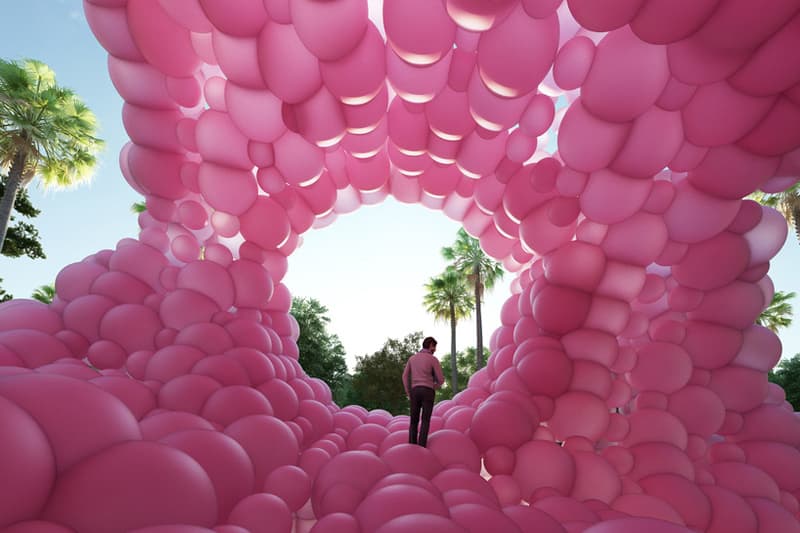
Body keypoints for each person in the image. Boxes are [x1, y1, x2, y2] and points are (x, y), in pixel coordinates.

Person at [402, 336, 444, 447]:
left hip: (415, 391)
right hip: (428, 391)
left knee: (414, 420)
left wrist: (408, 391)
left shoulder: (412, 358)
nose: (435, 349)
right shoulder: (433, 359)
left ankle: (411, 445)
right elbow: (441, 379)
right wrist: (434, 386)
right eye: (434, 347)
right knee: (425, 420)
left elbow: (405, 376)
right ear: (430, 345)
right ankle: (421, 446)